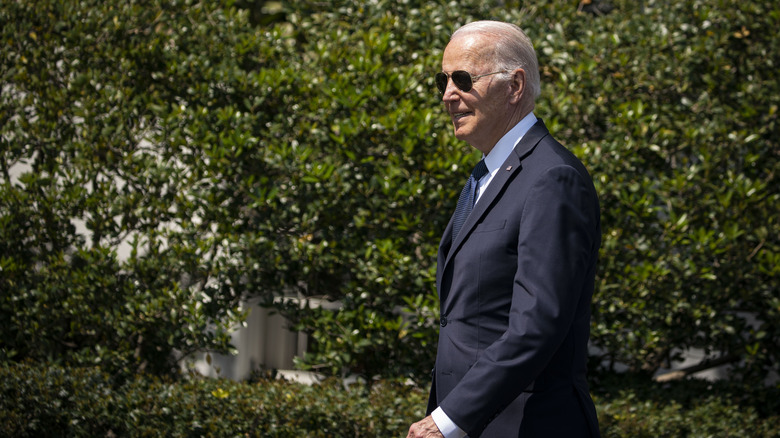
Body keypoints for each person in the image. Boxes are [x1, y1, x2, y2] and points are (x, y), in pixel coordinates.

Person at [407, 21, 601, 438]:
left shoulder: (552, 178)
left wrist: (446, 420)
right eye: (442, 80)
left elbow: (536, 324)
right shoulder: (487, 176)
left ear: (515, 86)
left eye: (462, 79)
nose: (447, 95)